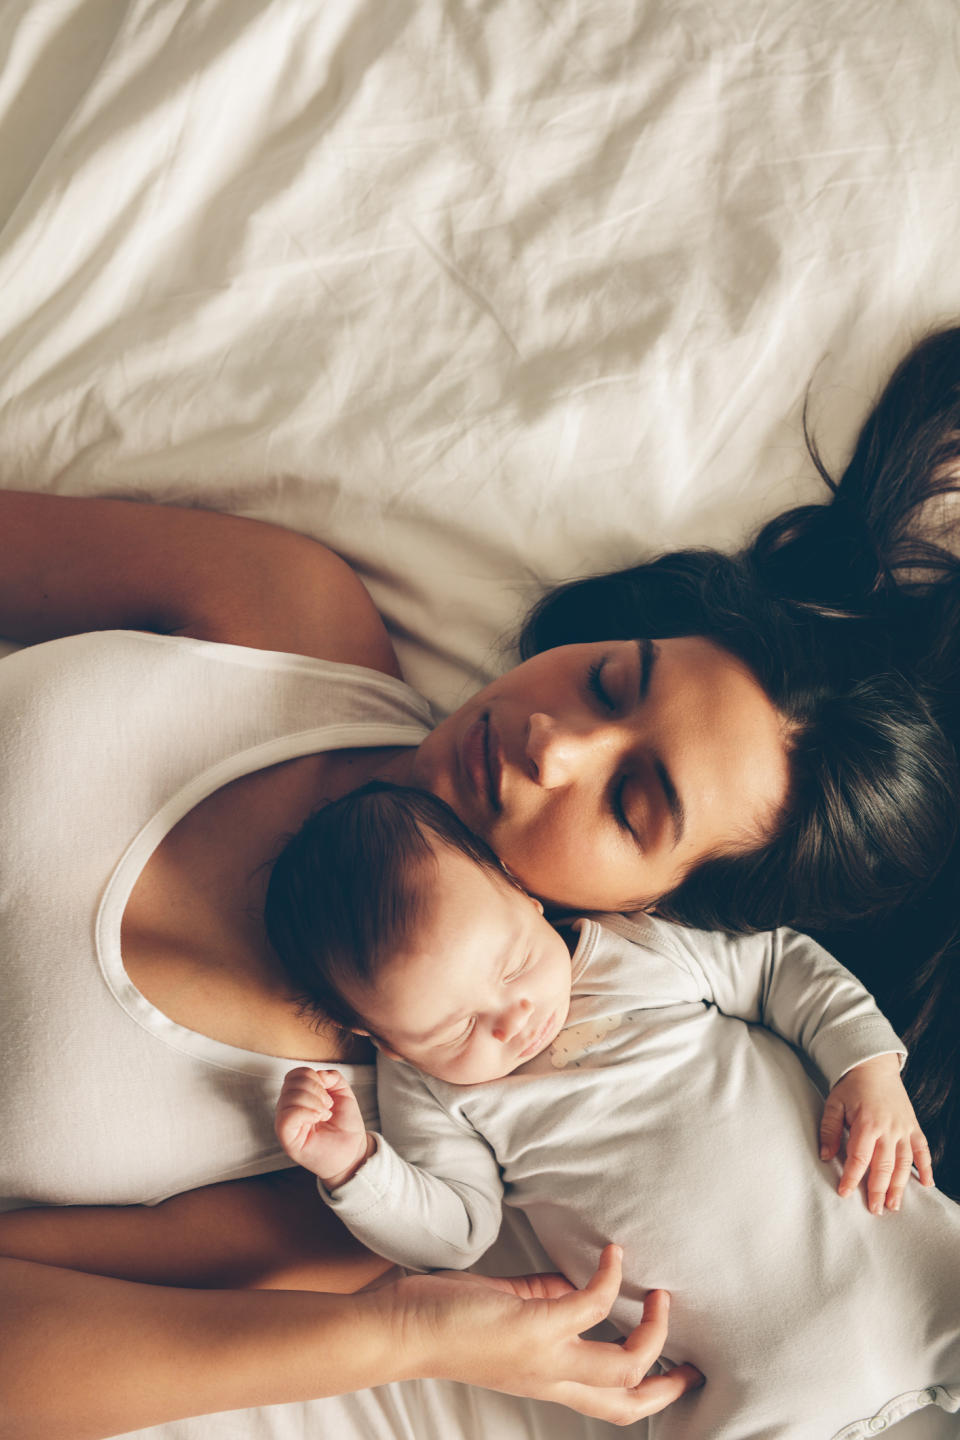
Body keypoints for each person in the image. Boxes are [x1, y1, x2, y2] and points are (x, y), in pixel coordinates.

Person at [1, 323, 960, 1433]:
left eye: (631, 804)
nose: (555, 744)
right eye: (609, 683)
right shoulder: (287, 617)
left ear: (649, 910)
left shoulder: (351, 1172)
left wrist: (412, 1329)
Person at [269, 780, 959, 1438]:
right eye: (453, 1028)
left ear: (519, 890)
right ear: (380, 1039)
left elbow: (784, 970)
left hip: (891, 1239)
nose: (512, 1020)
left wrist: (868, 1069)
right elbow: (457, 1236)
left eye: (511, 966)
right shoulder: (429, 1089)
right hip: (744, 1374)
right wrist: (356, 1167)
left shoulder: (633, 943)